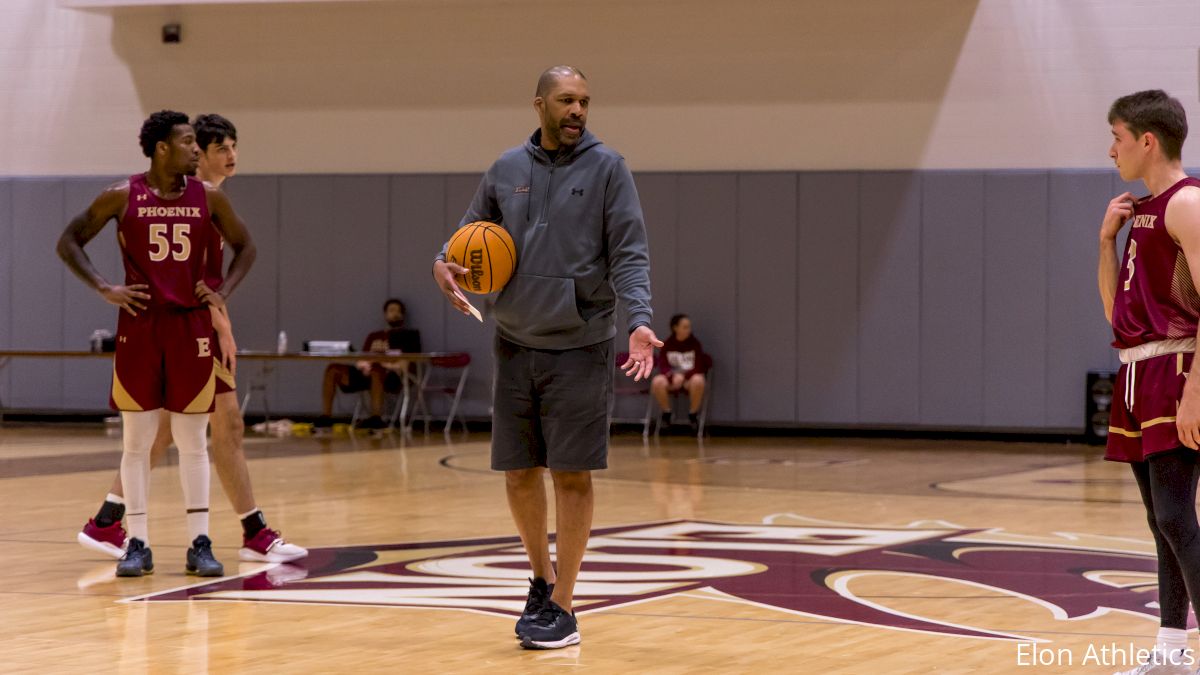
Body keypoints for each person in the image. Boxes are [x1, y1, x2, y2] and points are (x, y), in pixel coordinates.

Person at [433, 65, 660, 650]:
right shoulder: (506, 168)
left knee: (572, 473)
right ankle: (540, 578)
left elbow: (630, 254)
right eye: (566, 100)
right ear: (539, 104)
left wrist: (638, 323)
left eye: (584, 101)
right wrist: (443, 264)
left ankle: (564, 604)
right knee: (518, 471)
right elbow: (465, 237)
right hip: (513, 340)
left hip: (580, 342)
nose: (577, 111)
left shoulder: (609, 169)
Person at [75, 114, 307, 566]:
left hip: (192, 327)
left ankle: (109, 519)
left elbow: (221, 268)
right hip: (184, 328)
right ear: (189, 150)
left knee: (183, 432)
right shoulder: (181, 198)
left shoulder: (210, 200)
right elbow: (192, 278)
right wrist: (221, 322)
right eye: (221, 148)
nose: (229, 155)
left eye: (233, 146)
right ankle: (247, 532)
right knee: (194, 431)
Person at [1099, 90, 1200, 675]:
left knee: (1176, 517)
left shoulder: (1186, 204)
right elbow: (1118, 318)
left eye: (1116, 137)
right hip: (1139, 370)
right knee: (1160, 522)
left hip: (1179, 371)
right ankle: (1169, 650)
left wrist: (1194, 394)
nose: (1110, 149)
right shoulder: (1142, 210)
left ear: (1147, 140)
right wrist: (1104, 243)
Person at [314, 298, 422, 430]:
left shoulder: (409, 336)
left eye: (398, 311)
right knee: (332, 369)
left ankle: (376, 418)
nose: (395, 314)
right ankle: (326, 416)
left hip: (391, 376)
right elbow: (362, 358)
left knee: (377, 371)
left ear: (403, 315)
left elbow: (406, 364)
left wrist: (383, 363)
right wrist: (362, 364)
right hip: (365, 374)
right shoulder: (374, 336)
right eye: (391, 310)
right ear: (385, 314)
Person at [650, 313, 710, 434]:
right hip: (673, 379)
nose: (688, 330)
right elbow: (663, 365)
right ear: (675, 328)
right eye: (685, 327)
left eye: (689, 327)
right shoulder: (667, 344)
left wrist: (683, 376)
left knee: (699, 380)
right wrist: (672, 376)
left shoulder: (695, 344)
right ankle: (667, 414)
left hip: (689, 379)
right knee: (657, 382)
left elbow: (699, 366)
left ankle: (693, 415)